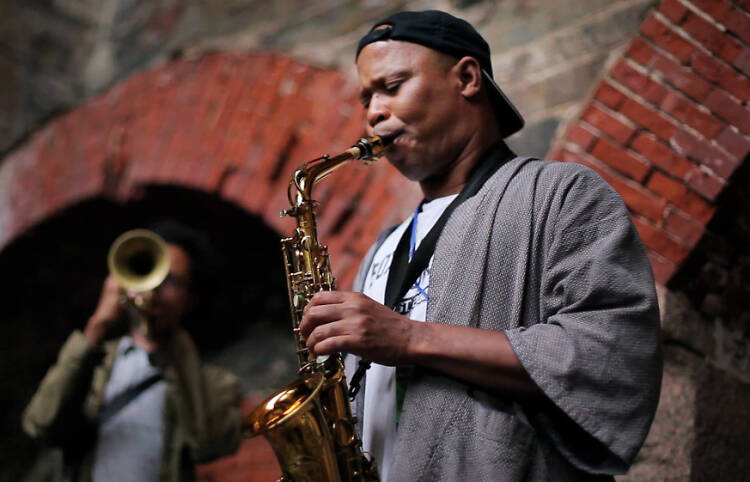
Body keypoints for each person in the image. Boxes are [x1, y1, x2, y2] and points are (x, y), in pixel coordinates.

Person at [299, 10, 662, 481]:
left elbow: (610, 358)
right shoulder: (383, 247)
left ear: (467, 78)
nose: (372, 112)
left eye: (392, 86)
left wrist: (409, 337)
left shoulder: (561, 193)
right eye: (367, 96)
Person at [22, 221, 243, 482]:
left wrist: (176, 341)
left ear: (191, 299)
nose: (156, 287)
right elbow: (40, 425)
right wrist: (97, 326)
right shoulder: (94, 363)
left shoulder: (214, 384)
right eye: (148, 269)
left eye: (171, 280)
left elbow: (209, 445)